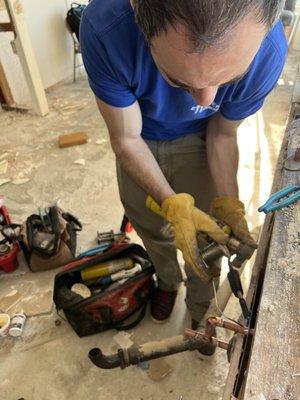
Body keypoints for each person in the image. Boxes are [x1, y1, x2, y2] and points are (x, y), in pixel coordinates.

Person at [80, 0, 287, 355]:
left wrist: (228, 204)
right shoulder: (106, 27)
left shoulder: (266, 49)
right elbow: (127, 139)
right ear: (138, 13)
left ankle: (202, 310)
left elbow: (221, 132)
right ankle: (167, 280)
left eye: (229, 79)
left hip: (203, 137)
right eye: (178, 79)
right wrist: (170, 201)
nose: (208, 99)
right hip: (138, 135)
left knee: (207, 239)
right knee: (150, 225)